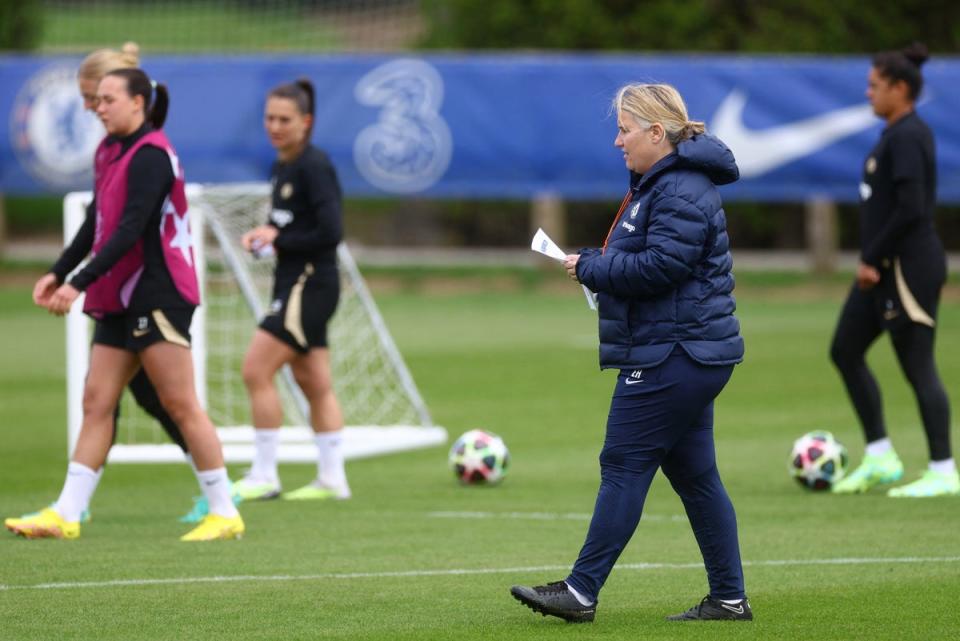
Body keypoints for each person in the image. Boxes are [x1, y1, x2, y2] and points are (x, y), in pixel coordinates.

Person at [510, 83, 750, 623]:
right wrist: (596, 261)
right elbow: (653, 257)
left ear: (656, 133)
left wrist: (593, 268)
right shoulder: (663, 184)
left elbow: (663, 266)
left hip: (675, 351)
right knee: (695, 476)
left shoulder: (680, 187)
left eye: (624, 129)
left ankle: (580, 592)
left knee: (622, 464)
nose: (618, 141)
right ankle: (729, 599)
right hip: (686, 349)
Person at [5, 68, 244, 541]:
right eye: (96, 99)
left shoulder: (153, 155)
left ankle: (224, 510)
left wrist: (78, 282)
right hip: (118, 294)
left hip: (157, 293)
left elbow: (131, 228)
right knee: (97, 401)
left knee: (179, 403)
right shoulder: (108, 150)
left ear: (139, 103)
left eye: (108, 98)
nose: (98, 106)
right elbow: (98, 220)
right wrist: (58, 270)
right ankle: (67, 514)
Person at [830, 43, 958, 497]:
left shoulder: (908, 136)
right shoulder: (892, 134)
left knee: (917, 365)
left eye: (875, 86)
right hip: (882, 268)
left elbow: (910, 211)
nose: (868, 94)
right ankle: (881, 456)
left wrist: (872, 258)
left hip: (907, 268)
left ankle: (943, 469)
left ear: (900, 89)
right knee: (845, 349)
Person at [233, 78, 350, 502]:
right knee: (313, 380)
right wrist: (266, 239)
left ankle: (265, 473)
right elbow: (292, 227)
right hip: (294, 282)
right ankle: (333, 478)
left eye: (285, 119)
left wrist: (278, 239)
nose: (275, 126)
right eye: (269, 118)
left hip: (310, 284)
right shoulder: (282, 166)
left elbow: (330, 232)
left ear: (307, 122)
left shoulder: (313, 166)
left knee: (255, 370)